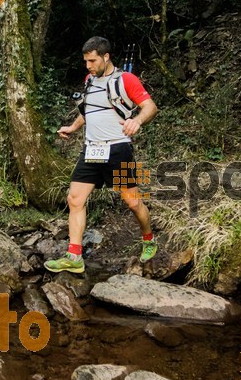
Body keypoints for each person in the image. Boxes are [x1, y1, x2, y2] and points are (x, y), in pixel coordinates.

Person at [44, 36, 159, 274]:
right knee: (75, 199)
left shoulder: (126, 79)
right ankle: (74, 256)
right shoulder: (89, 80)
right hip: (91, 150)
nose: (88, 66)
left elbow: (150, 106)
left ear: (106, 57)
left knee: (133, 202)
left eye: (92, 60)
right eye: (86, 61)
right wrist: (74, 127)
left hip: (117, 148)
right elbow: (89, 111)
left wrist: (136, 120)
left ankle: (149, 239)